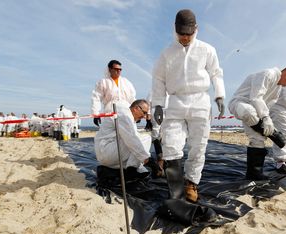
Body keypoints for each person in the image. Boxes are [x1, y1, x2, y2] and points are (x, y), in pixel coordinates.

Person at [151, 9, 226, 202]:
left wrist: (219, 95)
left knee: (198, 146)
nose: (185, 38)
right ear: (175, 31)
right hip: (175, 101)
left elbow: (216, 73)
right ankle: (175, 190)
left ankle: (191, 183)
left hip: (200, 101)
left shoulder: (207, 50)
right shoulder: (166, 54)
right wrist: (158, 105)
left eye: (188, 34)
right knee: (171, 145)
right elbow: (158, 79)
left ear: (196, 30)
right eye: (181, 34)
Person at [228, 64, 286, 179]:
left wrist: (266, 119)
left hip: (257, 112)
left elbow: (268, 104)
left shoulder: (278, 88)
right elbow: (256, 97)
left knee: (258, 139)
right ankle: (273, 134)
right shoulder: (268, 74)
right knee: (249, 113)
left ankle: (254, 174)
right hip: (240, 103)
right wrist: (265, 117)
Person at [95, 99, 152, 180]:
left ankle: (131, 169)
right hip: (106, 151)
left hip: (111, 152)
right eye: (144, 112)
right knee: (145, 138)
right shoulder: (124, 115)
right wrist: (147, 159)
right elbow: (131, 139)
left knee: (143, 171)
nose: (144, 116)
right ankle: (131, 171)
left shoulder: (129, 116)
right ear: (136, 108)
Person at [91, 60, 136, 127]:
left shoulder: (127, 82)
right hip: (110, 113)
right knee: (110, 134)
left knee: (129, 134)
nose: (119, 71)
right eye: (116, 69)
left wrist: (136, 113)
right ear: (110, 69)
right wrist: (96, 114)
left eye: (120, 69)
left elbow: (132, 98)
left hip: (126, 113)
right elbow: (96, 98)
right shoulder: (103, 82)